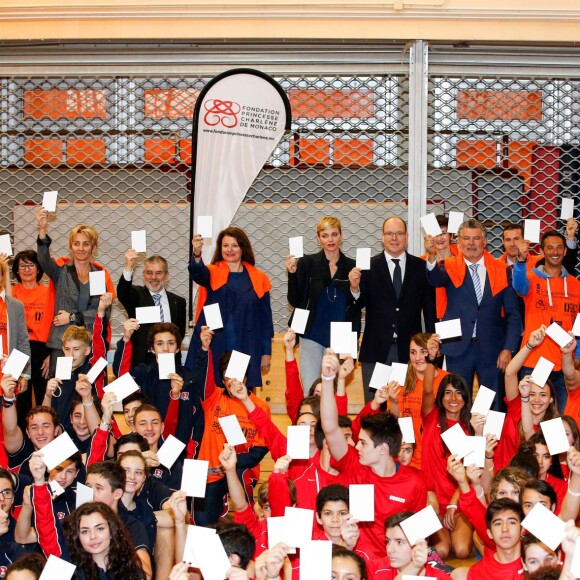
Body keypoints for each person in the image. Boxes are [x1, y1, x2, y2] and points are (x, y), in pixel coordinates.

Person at [320, 351, 427, 559]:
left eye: (362, 443)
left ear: (383, 449)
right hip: (358, 560)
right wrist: (327, 379)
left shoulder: (416, 482)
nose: (356, 447)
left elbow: (418, 538)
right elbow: (330, 427)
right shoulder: (355, 465)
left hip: (394, 564)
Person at [425, 218, 521, 407]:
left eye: (476, 238)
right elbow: (434, 279)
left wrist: (508, 348)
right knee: (456, 403)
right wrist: (431, 255)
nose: (471, 243)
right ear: (458, 243)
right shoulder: (448, 266)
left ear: (485, 241)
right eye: (466, 239)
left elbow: (513, 314)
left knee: (493, 405)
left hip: (493, 351)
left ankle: (491, 438)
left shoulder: (502, 270)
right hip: (457, 349)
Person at [349, 216, 436, 402]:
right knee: (375, 409)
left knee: (406, 407)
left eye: (398, 233)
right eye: (389, 233)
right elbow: (357, 305)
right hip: (376, 350)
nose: (394, 238)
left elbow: (429, 310)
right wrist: (355, 288)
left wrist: (431, 343)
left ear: (406, 236)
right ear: (382, 237)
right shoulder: (368, 266)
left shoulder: (421, 267)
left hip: (410, 352)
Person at [188, 227, 273, 389]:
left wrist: (266, 352)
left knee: (241, 392)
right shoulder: (212, 272)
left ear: (243, 248)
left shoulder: (259, 278)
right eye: (225, 245)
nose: (230, 250)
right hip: (217, 343)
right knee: (214, 390)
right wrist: (197, 254)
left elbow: (265, 321)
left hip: (245, 345)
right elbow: (198, 273)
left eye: (235, 245)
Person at [285, 216, 359, 392]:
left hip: (342, 334)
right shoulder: (306, 263)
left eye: (334, 234)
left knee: (338, 389)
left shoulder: (353, 266)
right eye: (325, 235)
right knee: (310, 389)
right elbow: (294, 300)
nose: (330, 239)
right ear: (318, 238)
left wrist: (355, 288)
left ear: (341, 235)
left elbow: (358, 304)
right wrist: (292, 275)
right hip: (312, 332)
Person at [35, 208, 116, 364]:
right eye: (76, 243)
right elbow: (43, 259)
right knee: (60, 387)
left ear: (93, 247)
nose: (81, 248)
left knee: (90, 386)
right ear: (71, 246)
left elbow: (102, 313)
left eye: (86, 244)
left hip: (90, 344)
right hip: (62, 344)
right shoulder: (60, 272)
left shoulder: (100, 274)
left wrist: (72, 317)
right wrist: (42, 230)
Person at [513, 229, 580, 413]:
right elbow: (518, 286)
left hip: (565, 364)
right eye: (550, 248)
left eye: (559, 248)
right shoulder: (531, 278)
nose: (555, 252)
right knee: (535, 416)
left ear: (565, 251)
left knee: (565, 417)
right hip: (536, 362)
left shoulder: (575, 284)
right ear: (542, 251)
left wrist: (578, 356)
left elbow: (578, 324)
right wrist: (520, 260)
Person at [114, 320, 206, 451]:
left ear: (178, 348)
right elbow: (120, 382)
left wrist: (192, 454)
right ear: (152, 349)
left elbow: (197, 421)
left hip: (179, 450)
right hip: (146, 448)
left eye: (171, 343)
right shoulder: (143, 373)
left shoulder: (190, 378)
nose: (165, 349)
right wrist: (126, 339)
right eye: (159, 344)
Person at [421, 339, 475, 560]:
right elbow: (426, 390)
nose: (453, 398)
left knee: (461, 550)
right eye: (448, 393)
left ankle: (469, 530)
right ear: (440, 398)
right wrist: (431, 359)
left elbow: (470, 472)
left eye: (459, 393)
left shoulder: (471, 428)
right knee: (442, 550)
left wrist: (454, 503)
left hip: (458, 498)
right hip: (432, 499)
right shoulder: (431, 417)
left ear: (466, 397)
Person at [117, 251, 186, 367]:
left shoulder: (178, 302)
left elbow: (180, 334)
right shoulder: (135, 295)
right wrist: (129, 266)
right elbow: (122, 292)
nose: (153, 277)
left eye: (158, 273)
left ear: (167, 275)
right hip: (142, 363)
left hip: (170, 360)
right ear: (143, 275)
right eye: (149, 273)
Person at [11, 250, 54, 428]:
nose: (27, 269)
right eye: (22, 265)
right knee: (18, 397)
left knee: (45, 396)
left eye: (31, 265)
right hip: (17, 349)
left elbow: (56, 324)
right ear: (16, 270)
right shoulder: (10, 292)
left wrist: (53, 353)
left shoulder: (49, 292)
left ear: (38, 269)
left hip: (43, 350)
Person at [451, 499, 525, 580]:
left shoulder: (535, 562)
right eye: (498, 524)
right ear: (490, 533)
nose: (505, 529)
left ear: (522, 530)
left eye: (512, 522)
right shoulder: (480, 572)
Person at [367, 511, 451, 578]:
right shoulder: (375, 568)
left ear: (420, 545)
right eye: (388, 541)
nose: (389, 550)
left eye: (399, 542)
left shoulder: (440, 578)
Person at [0, 254, 31, 433]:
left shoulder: (15, 305)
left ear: (3, 277)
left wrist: (24, 374)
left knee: (10, 426)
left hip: (8, 374)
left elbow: (22, 342)